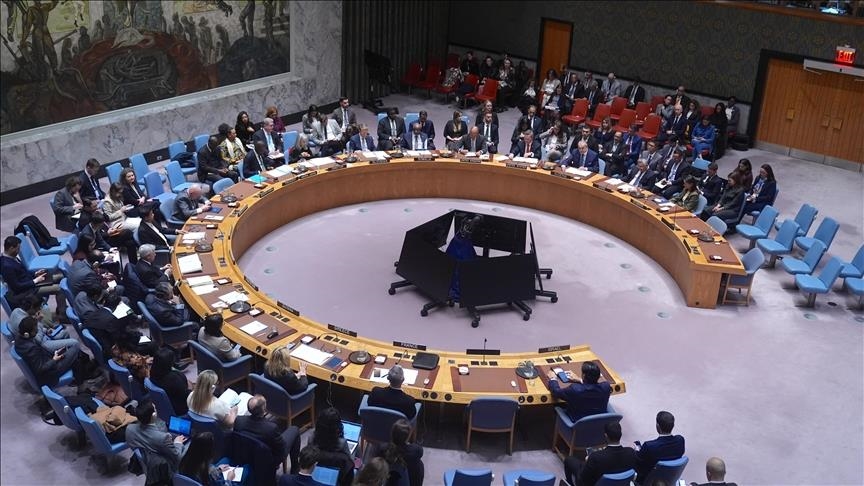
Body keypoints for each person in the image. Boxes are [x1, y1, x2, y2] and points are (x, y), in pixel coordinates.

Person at [234, 395, 302, 474]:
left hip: (248, 456)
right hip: (268, 461)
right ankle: (295, 469)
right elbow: (281, 450)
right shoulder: (271, 428)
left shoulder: (239, 420)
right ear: (264, 409)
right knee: (294, 430)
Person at [1, 236, 67, 315]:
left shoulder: (12, 257)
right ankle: (63, 315)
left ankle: (61, 307)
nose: (19, 251)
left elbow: (22, 273)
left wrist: (35, 274)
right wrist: (35, 281)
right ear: (11, 248)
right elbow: (17, 287)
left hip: (31, 282)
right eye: (18, 249)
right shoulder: (6, 266)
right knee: (59, 289)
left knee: (60, 277)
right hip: (28, 291)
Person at [125, 399, 188, 475]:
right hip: (165, 468)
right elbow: (177, 457)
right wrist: (178, 443)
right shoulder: (163, 438)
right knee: (190, 445)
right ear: (154, 415)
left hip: (147, 464)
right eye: (155, 408)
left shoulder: (129, 429)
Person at [564, 422, 637, 486]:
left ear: (606, 436)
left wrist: (587, 462)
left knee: (569, 460)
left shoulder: (596, 457)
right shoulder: (631, 452)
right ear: (620, 434)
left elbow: (583, 480)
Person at [14, 316, 79, 386]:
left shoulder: (19, 339)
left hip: (47, 360)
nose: (37, 331)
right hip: (51, 373)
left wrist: (54, 354)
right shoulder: (31, 348)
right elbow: (40, 368)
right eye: (35, 330)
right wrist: (54, 359)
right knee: (75, 347)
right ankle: (80, 381)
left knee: (73, 354)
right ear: (26, 334)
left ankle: (79, 380)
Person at [8, 294, 77, 353]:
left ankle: (68, 355)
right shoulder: (25, 321)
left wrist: (45, 330)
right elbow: (38, 340)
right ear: (31, 307)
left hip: (40, 337)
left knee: (65, 333)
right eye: (38, 308)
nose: (39, 310)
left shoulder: (16, 310)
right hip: (42, 345)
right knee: (74, 343)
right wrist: (38, 322)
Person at [546, 361, 611, 422]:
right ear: (599, 376)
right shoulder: (606, 387)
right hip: (600, 422)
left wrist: (553, 378)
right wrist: (580, 380)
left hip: (578, 423)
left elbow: (556, 392)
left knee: (557, 404)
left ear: (584, 375)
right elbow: (592, 387)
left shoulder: (575, 389)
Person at [634, 411, 685, 482]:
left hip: (650, 481)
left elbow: (639, 465)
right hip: (670, 479)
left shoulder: (649, 446)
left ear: (657, 426)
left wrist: (636, 451)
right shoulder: (680, 440)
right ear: (673, 425)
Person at [310, 407, 355, 485]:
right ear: (337, 427)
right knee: (357, 451)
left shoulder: (311, 438)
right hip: (338, 476)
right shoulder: (342, 443)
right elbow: (349, 462)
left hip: (316, 472)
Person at [374, 419, 424, 486]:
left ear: (392, 433)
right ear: (408, 437)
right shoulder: (416, 450)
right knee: (419, 464)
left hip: (386, 482)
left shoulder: (382, 449)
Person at [149, 347, 190, 415]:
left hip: (165, 408)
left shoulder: (152, 372)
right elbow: (186, 395)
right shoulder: (175, 378)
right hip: (181, 410)